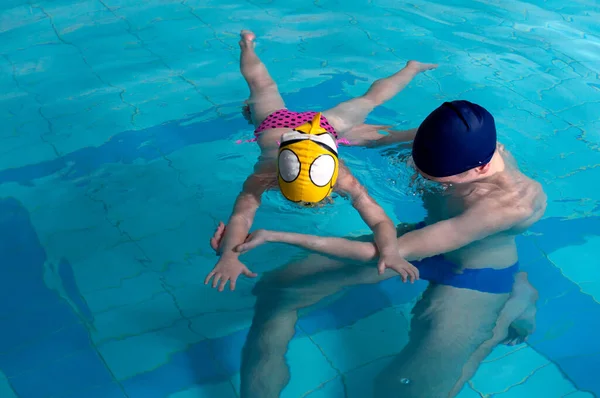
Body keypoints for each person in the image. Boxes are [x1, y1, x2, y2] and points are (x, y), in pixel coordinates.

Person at [212, 100, 546, 397]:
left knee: (407, 390)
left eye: (442, 180)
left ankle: (514, 302)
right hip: (423, 236)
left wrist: (279, 235)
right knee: (277, 288)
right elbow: (374, 137)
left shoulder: (510, 205)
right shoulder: (448, 137)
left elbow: (387, 253)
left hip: (474, 275)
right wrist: (305, 137)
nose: (428, 180)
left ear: (482, 168)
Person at [205, 29, 437, 291]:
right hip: (296, 126)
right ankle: (412, 68)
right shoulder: (269, 175)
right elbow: (240, 218)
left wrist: (391, 252)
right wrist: (228, 256)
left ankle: (246, 45)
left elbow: (243, 216)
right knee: (368, 99)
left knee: (263, 86)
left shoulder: (280, 176)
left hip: (301, 127)